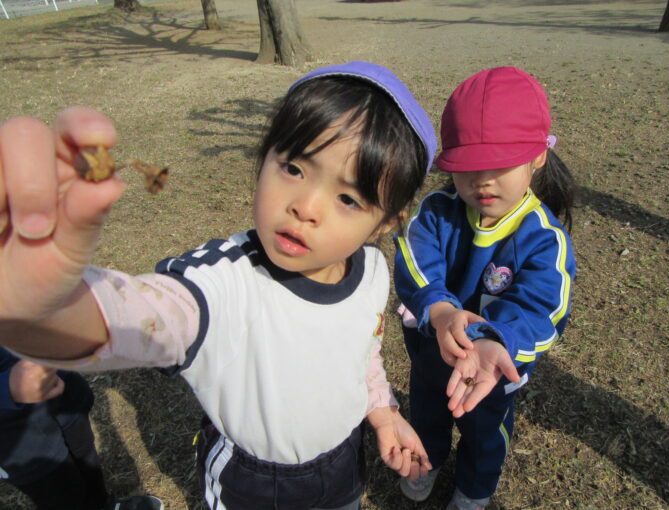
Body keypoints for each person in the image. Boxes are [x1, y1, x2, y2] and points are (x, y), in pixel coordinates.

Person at [0, 61, 437, 510]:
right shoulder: (226, 281)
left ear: (384, 223)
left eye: (347, 198)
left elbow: (362, 349)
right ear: (263, 158)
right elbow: (146, 315)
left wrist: (382, 412)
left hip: (344, 462)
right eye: (293, 168)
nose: (306, 207)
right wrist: (41, 303)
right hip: (254, 482)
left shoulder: (372, 270)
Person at [393, 66, 577, 510]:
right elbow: (414, 260)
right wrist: (439, 310)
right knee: (427, 412)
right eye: (468, 168)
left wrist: (495, 339)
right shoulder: (437, 212)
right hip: (433, 353)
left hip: (492, 371)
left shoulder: (543, 238)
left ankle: (475, 489)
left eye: (499, 164)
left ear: (538, 157)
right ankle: (429, 460)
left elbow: (542, 308)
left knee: (485, 431)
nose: (482, 180)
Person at [0, 348, 164, 510]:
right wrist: (7, 389)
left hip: (57, 383)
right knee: (59, 491)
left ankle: (102, 504)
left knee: (84, 454)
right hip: (13, 437)